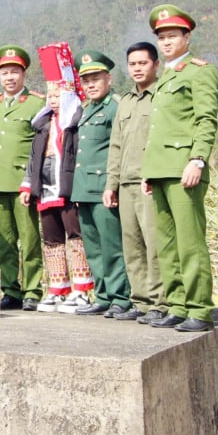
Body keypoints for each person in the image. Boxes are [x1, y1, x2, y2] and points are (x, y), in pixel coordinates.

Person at [142, 5, 218, 332]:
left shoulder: (199, 71)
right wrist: (150, 171)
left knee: (190, 243)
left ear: (187, 37)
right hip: (161, 170)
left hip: (184, 169)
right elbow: (160, 129)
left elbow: (206, 119)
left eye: (173, 36)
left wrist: (197, 159)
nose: (167, 42)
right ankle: (176, 304)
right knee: (167, 245)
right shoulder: (167, 77)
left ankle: (199, 309)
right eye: (162, 37)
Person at [19, 49, 94, 313]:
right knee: (51, 240)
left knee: (75, 236)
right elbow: (33, 158)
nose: (52, 100)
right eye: (49, 96)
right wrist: (28, 184)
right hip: (46, 186)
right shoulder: (42, 125)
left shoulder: (74, 121)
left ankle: (82, 290)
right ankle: (57, 290)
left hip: (68, 187)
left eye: (58, 95)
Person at [103, 42, 169, 324]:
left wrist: (155, 172)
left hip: (149, 182)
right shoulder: (126, 101)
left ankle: (160, 302)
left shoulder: (162, 96)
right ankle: (140, 301)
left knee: (155, 244)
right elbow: (116, 145)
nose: (138, 68)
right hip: (126, 183)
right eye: (133, 64)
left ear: (156, 64)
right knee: (132, 245)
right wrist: (111, 184)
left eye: (143, 63)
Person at [70, 50, 132, 317]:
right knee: (93, 248)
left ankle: (121, 297)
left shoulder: (116, 106)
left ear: (108, 78)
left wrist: (113, 185)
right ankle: (103, 296)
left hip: (105, 189)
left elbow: (120, 148)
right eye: (86, 80)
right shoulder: (87, 108)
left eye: (96, 78)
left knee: (112, 246)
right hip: (84, 188)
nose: (91, 85)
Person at [0, 45, 45, 311]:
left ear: (24, 74)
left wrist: (32, 181)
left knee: (29, 238)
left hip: (23, 183)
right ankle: (10, 289)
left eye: (14, 72)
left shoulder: (36, 103)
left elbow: (41, 146)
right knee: (4, 240)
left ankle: (32, 289)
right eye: (5, 72)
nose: (9, 77)